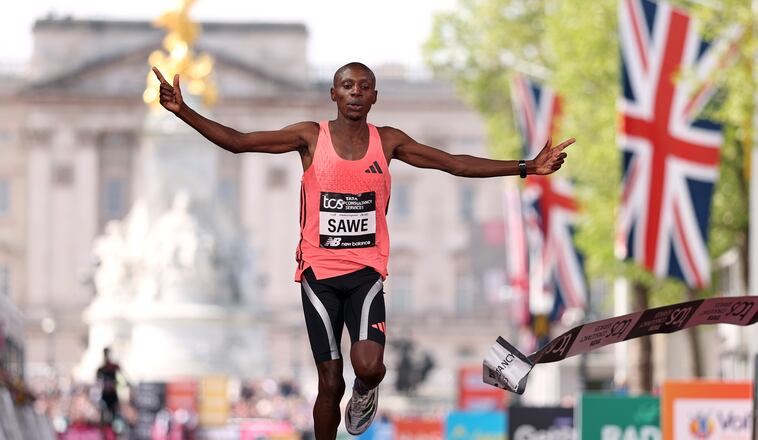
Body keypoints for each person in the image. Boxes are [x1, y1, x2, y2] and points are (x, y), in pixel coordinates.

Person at [152, 62, 573, 439]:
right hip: (318, 274)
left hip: (366, 273)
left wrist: (527, 167)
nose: (356, 92)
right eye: (347, 85)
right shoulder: (309, 137)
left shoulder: (386, 142)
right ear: (333, 94)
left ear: (374, 96)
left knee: (369, 366)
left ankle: (366, 392)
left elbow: (453, 163)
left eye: (364, 86)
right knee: (329, 382)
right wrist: (183, 111)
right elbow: (238, 141)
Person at [96, 347, 124, 425]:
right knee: (103, 413)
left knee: (115, 415)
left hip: (113, 396)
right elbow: (97, 382)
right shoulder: (101, 369)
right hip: (104, 396)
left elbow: (122, 379)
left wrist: (116, 384)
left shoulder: (114, 367)